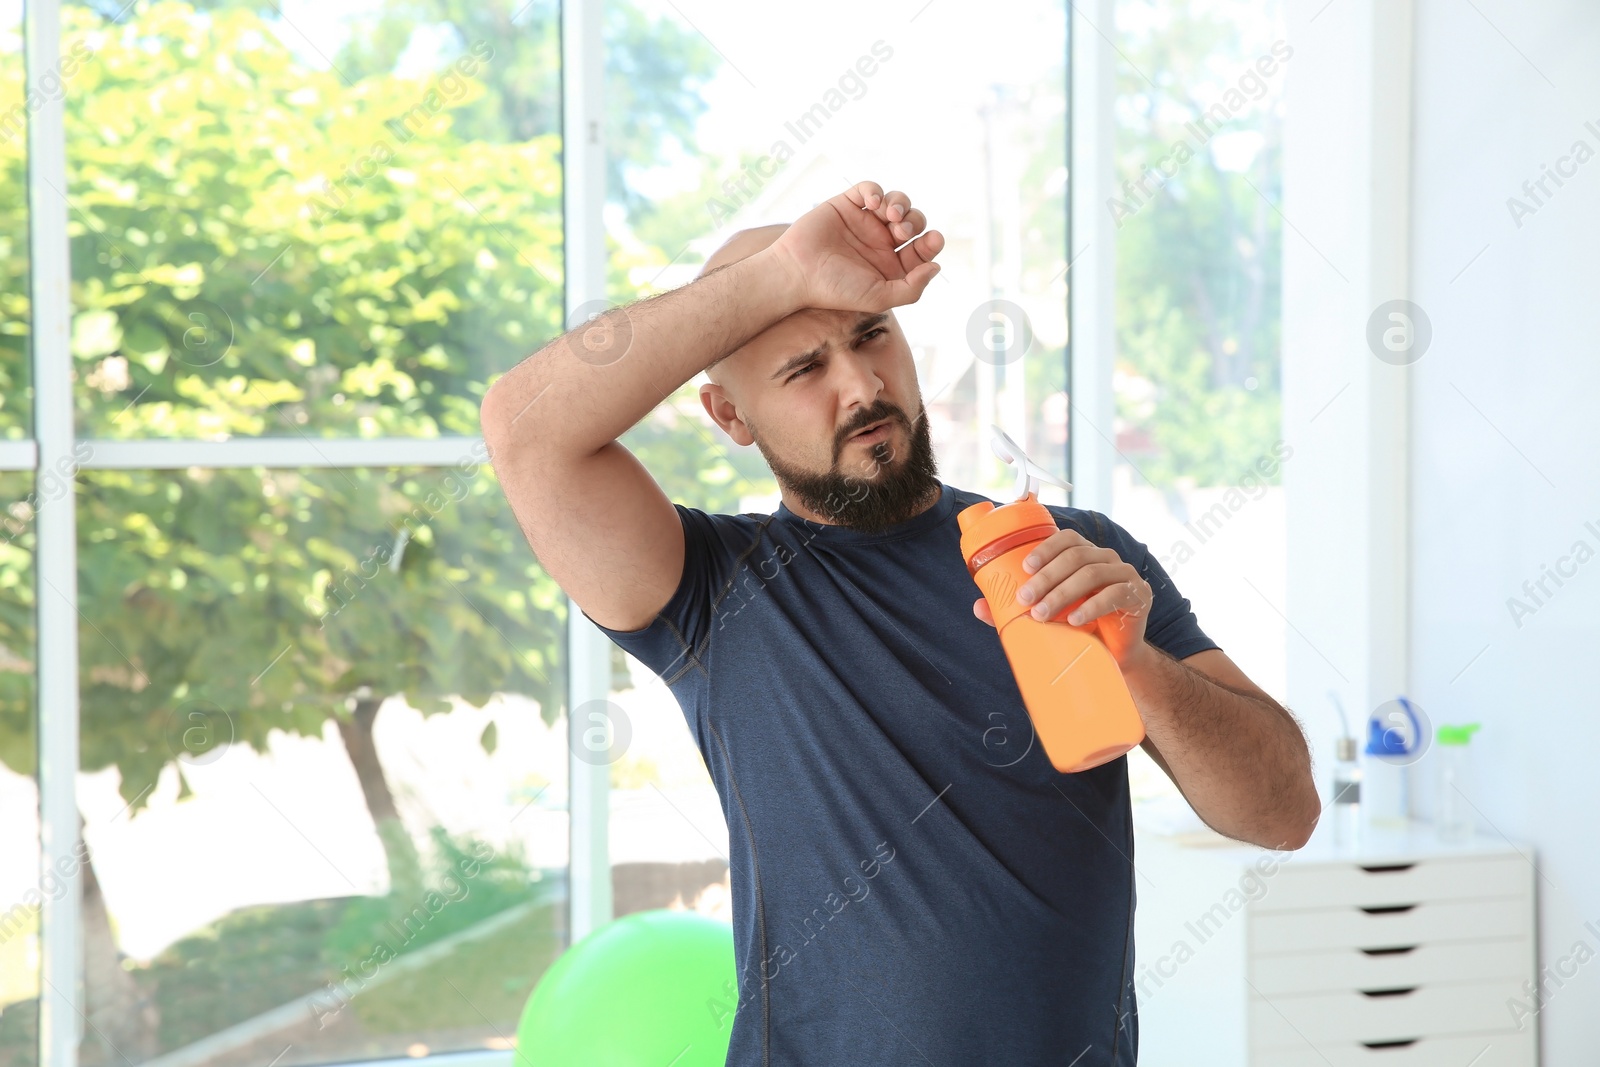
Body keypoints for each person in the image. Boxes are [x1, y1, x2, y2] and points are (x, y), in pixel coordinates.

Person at [480, 180, 1319, 1065]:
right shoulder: (709, 589)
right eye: (804, 369)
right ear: (730, 415)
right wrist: (782, 273)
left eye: (870, 335)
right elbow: (524, 429)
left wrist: (1137, 662)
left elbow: (1283, 811)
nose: (862, 386)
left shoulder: (1074, 553)